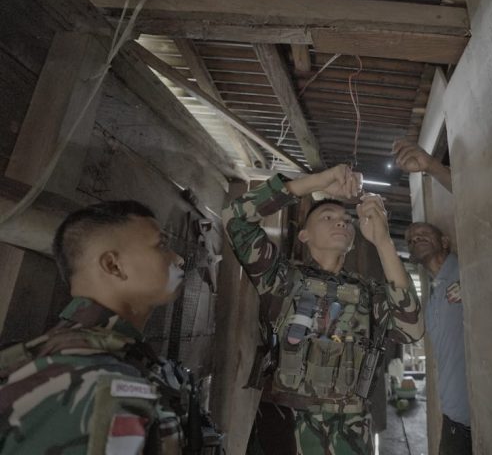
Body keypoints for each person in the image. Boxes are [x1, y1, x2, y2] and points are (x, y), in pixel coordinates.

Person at [224, 164, 424, 455]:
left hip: (350, 433)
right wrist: (317, 182)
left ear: (353, 241)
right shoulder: (280, 279)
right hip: (282, 429)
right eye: (327, 217)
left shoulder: (369, 293)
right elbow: (235, 218)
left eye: (346, 220)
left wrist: (383, 241)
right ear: (304, 235)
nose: (341, 223)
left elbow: (411, 329)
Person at [0, 201, 196, 454]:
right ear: (113, 265)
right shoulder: (100, 384)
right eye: (161, 245)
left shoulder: (76, 353)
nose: (178, 259)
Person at [404, 222, 471, 455]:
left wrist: (472, 286)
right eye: (410, 240)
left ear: (444, 242)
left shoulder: (467, 271)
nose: (415, 239)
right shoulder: (434, 291)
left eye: (423, 234)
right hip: (454, 414)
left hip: (477, 414)